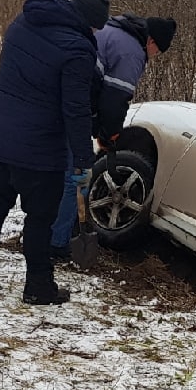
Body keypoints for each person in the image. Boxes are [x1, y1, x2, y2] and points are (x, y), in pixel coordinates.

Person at [0, 0, 109, 304]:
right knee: (41, 219)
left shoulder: (23, 22)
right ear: (87, 21)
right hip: (39, 149)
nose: (95, 34)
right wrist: (84, 160)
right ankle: (39, 287)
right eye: (95, 28)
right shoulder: (77, 49)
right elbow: (75, 110)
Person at [50, 13, 178, 258]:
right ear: (151, 42)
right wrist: (110, 134)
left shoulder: (112, 29)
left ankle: (41, 228)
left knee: (58, 169)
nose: (154, 56)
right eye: (158, 51)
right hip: (72, 111)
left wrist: (98, 126)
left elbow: (97, 86)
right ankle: (56, 243)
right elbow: (115, 99)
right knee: (78, 177)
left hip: (58, 100)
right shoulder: (132, 52)